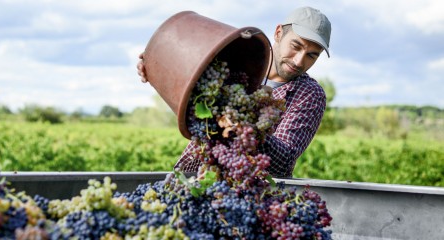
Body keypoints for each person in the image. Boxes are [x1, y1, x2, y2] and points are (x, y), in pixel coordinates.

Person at [137, 6, 331, 178]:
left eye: (311, 55)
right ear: (279, 33)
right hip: (194, 175)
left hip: (252, 194)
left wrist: (242, 127)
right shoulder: (237, 59)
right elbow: (191, 93)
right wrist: (155, 67)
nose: (299, 61)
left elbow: (284, 159)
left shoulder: (309, 94)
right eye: (296, 46)